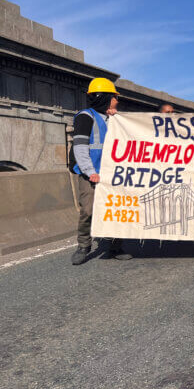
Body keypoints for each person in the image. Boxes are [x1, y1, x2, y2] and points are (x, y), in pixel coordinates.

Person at [69, 78, 132, 265]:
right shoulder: (85, 117)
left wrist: (116, 119)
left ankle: (115, 247)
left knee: (116, 210)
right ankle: (83, 246)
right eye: (114, 97)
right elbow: (80, 147)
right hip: (91, 173)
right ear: (104, 97)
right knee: (88, 210)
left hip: (113, 174)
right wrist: (90, 171)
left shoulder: (114, 118)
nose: (117, 101)